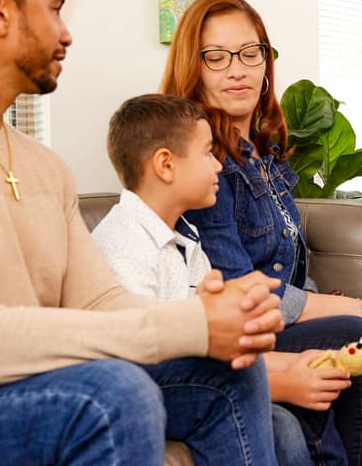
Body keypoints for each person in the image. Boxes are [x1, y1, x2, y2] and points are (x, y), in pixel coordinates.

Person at [0, 0, 284, 465]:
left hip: (31, 384)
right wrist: (188, 325)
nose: (66, 32)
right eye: (54, 8)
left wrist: (210, 314)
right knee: (111, 394)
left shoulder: (42, 165)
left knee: (227, 374)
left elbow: (100, 301)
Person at [160, 0, 362, 466]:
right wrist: (353, 305)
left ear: (265, 61)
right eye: (216, 58)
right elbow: (242, 288)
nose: (237, 70)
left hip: (275, 320)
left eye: (250, 53)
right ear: (192, 69)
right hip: (241, 329)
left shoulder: (261, 156)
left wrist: (331, 304)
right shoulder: (202, 164)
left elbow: (292, 271)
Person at [92, 93, 349, 466]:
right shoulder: (123, 243)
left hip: (187, 376)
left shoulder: (187, 241)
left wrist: (293, 364)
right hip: (140, 384)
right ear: (166, 165)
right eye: (208, 154)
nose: (218, 166)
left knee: (292, 425)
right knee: (281, 423)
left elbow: (212, 345)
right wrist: (284, 379)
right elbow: (142, 359)